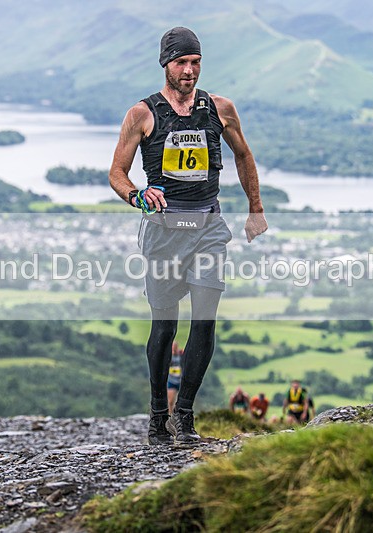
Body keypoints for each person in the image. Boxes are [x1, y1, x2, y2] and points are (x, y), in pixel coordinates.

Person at [109, 26, 267, 445]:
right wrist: (138, 196)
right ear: (166, 64)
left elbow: (244, 155)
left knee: (205, 321)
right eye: (182, 62)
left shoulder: (220, 109)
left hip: (208, 229)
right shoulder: (142, 114)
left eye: (196, 62)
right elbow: (117, 174)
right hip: (163, 232)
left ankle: (186, 415)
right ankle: (158, 415)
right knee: (164, 327)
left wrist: (256, 209)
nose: (190, 70)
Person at [166, 341, 183, 414]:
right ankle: (170, 415)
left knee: (182, 401)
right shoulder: (168, 356)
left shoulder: (181, 355)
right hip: (171, 381)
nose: (174, 348)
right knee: (170, 401)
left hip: (181, 381)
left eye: (175, 346)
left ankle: (180, 415)